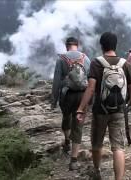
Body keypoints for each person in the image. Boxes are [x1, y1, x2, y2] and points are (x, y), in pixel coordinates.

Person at [76, 32, 131, 180]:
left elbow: (90, 88)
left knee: (96, 143)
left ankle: (97, 171)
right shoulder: (125, 64)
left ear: (101, 46)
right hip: (119, 111)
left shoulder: (97, 63)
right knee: (118, 147)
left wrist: (81, 108)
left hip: (100, 110)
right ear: (116, 45)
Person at [51, 37, 91, 170]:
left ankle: (67, 140)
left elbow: (56, 81)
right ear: (77, 45)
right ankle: (73, 161)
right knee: (78, 125)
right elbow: (91, 81)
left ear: (66, 46)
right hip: (82, 96)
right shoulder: (86, 59)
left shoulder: (61, 59)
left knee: (66, 117)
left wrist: (54, 101)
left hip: (66, 96)